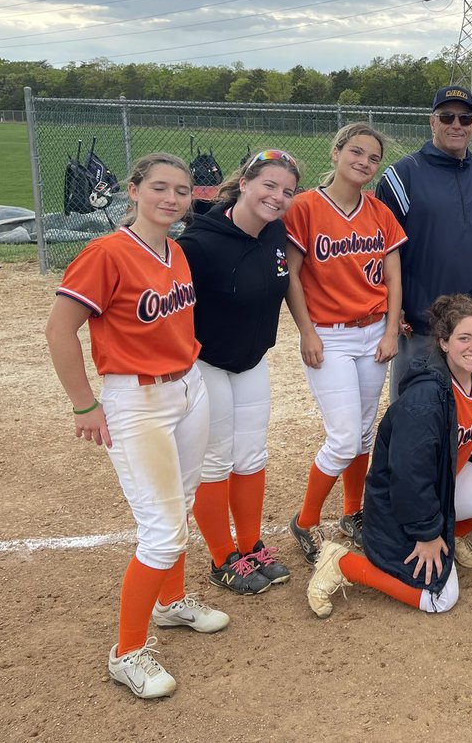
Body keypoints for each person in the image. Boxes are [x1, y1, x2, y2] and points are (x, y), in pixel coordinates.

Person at [46, 153, 225, 700]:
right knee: (162, 529)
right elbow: (59, 331)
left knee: (185, 498)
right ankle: (126, 653)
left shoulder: (176, 250)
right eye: (159, 188)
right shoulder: (106, 252)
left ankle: (171, 604)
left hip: (189, 387)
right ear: (133, 190)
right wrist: (84, 405)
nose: (170, 199)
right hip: (137, 398)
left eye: (181, 190)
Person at [306, 295, 472, 618]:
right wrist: (427, 534)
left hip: (443, 483)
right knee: (441, 599)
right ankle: (342, 563)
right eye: (463, 338)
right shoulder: (426, 396)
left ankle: (450, 535)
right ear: (443, 342)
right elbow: (409, 475)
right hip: (402, 502)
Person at [177, 150, 301, 595]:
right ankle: (221, 557)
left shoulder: (275, 232)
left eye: (287, 191)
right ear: (245, 183)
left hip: (251, 360)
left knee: (251, 454)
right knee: (216, 459)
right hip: (207, 362)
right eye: (268, 185)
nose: (277, 197)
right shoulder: (200, 242)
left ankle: (251, 546)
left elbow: (286, 283)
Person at [284, 124, 406, 564]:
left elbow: (393, 276)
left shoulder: (379, 211)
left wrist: (391, 329)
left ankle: (353, 512)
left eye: (373, 158)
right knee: (342, 438)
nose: (364, 163)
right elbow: (292, 277)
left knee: (363, 432)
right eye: (356, 152)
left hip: (374, 331)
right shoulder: (304, 207)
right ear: (335, 152)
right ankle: (305, 520)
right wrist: (307, 331)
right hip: (330, 335)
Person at [377, 85, 472, 399]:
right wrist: (393, 307)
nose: (456, 124)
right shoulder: (403, 176)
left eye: (465, 118)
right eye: (447, 116)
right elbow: (383, 249)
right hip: (422, 326)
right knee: (416, 411)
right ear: (432, 122)